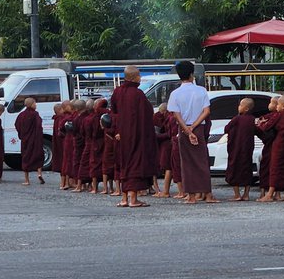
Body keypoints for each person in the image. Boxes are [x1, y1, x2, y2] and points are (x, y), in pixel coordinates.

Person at [108, 65, 158, 209]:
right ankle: (133, 199)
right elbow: (147, 113)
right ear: (134, 77)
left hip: (121, 135)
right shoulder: (137, 94)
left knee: (124, 164)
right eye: (139, 76)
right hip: (136, 134)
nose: (140, 78)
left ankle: (124, 198)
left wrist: (116, 130)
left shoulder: (117, 92)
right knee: (135, 164)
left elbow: (114, 113)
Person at [167, 60, 216, 204]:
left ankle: (192, 196)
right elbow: (206, 111)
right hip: (198, 128)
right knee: (202, 161)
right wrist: (194, 127)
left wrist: (187, 130)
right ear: (191, 74)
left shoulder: (175, 93)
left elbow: (176, 114)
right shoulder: (201, 90)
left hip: (183, 129)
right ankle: (207, 195)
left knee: (187, 162)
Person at [258, 95, 284, 203]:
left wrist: (261, 124)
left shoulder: (278, 116)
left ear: (282, 107)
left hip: (279, 144)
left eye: (278, 104)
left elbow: (266, 127)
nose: (276, 106)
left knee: (275, 168)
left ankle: (270, 194)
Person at [224, 97, 257, 201]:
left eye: (241, 105)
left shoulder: (237, 119)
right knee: (247, 169)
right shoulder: (252, 119)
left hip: (236, 149)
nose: (238, 107)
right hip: (247, 149)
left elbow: (227, 128)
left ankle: (237, 194)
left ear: (246, 109)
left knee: (234, 170)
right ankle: (246, 194)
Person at [17, 97, 45, 184]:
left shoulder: (21, 115)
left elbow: (17, 125)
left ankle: (27, 180)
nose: (36, 105)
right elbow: (39, 125)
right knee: (38, 156)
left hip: (26, 140)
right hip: (35, 139)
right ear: (31, 105)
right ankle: (39, 174)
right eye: (34, 103)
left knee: (26, 158)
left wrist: (22, 134)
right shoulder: (35, 114)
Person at [50, 102, 67, 187]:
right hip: (62, 142)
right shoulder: (61, 118)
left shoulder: (56, 119)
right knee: (65, 161)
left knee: (61, 161)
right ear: (60, 110)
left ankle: (62, 182)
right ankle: (66, 182)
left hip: (57, 142)